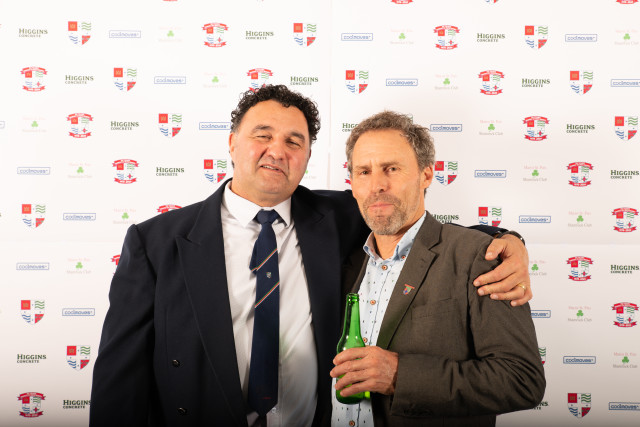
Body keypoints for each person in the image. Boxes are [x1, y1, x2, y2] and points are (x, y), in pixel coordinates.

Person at [90, 85, 533, 427]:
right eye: (262, 135)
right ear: (232, 143)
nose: (277, 150)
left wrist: (506, 240)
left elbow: (412, 223)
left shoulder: (338, 216)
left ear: (306, 157)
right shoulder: (156, 242)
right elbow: (119, 378)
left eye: (294, 141)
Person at [331, 111, 545, 427]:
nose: (377, 185)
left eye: (392, 168)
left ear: (427, 175)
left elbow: (522, 379)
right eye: (364, 171)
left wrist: (400, 375)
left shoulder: (478, 256)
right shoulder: (344, 261)